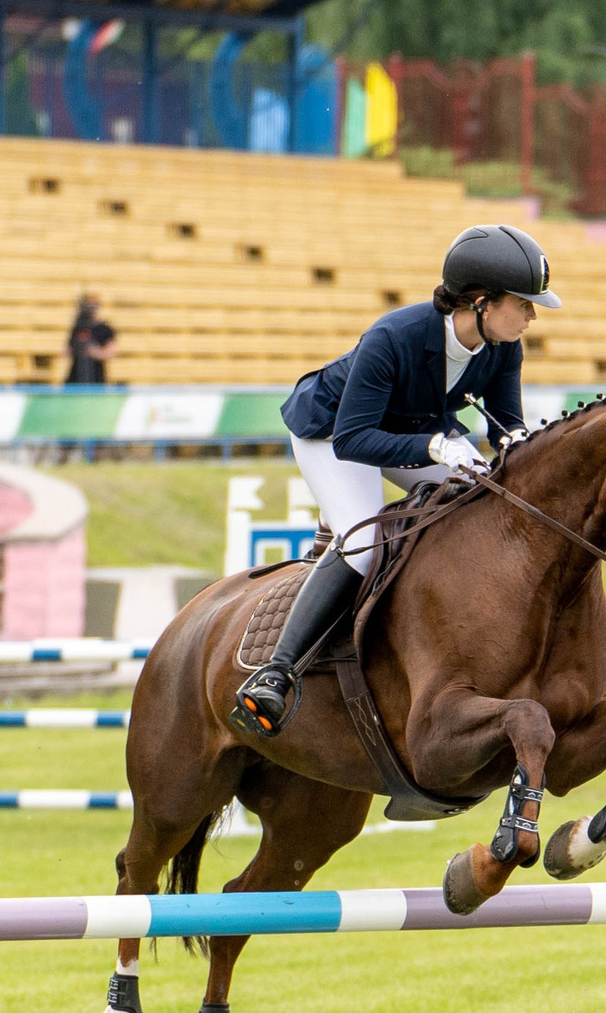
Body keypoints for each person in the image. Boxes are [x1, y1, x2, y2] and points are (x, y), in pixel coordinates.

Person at [229, 224, 560, 736]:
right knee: (363, 545)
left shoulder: (502, 345)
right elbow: (353, 439)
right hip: (333, 431)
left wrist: (520, 448)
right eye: (524, 303)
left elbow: (506, 423)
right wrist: (432, 447)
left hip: (413, 429)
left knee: (482, 499)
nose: (533, 316)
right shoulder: (393, 337)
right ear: (481, 302)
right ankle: (278, 672)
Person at [65, 292, 113, 386]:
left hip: (96, 375)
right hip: (76, 374)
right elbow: (67, 349)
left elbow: (112, 350)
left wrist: (96, 352)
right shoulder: (78, 326)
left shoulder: (104, 328)